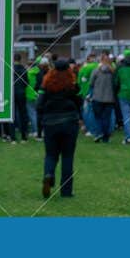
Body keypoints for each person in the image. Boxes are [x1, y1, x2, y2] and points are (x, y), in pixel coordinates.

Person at [37, 59, 81, 198]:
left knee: (51, 154)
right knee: (68, 157)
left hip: (50, 123)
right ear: (69, 69)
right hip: (69, 122)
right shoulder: (72, 85)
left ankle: (48, 174)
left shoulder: (46, 84)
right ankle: (66, 191)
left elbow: (39, 105)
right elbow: (79, 102)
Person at [88, 54, 117, 143]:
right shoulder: (113, 72)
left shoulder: (96, 71)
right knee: (106, 118)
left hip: (97, 97)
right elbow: (116, 83)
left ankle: (98, 133)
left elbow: (91, 83)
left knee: (98, 117)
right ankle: (106, 137)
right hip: (109, 98)